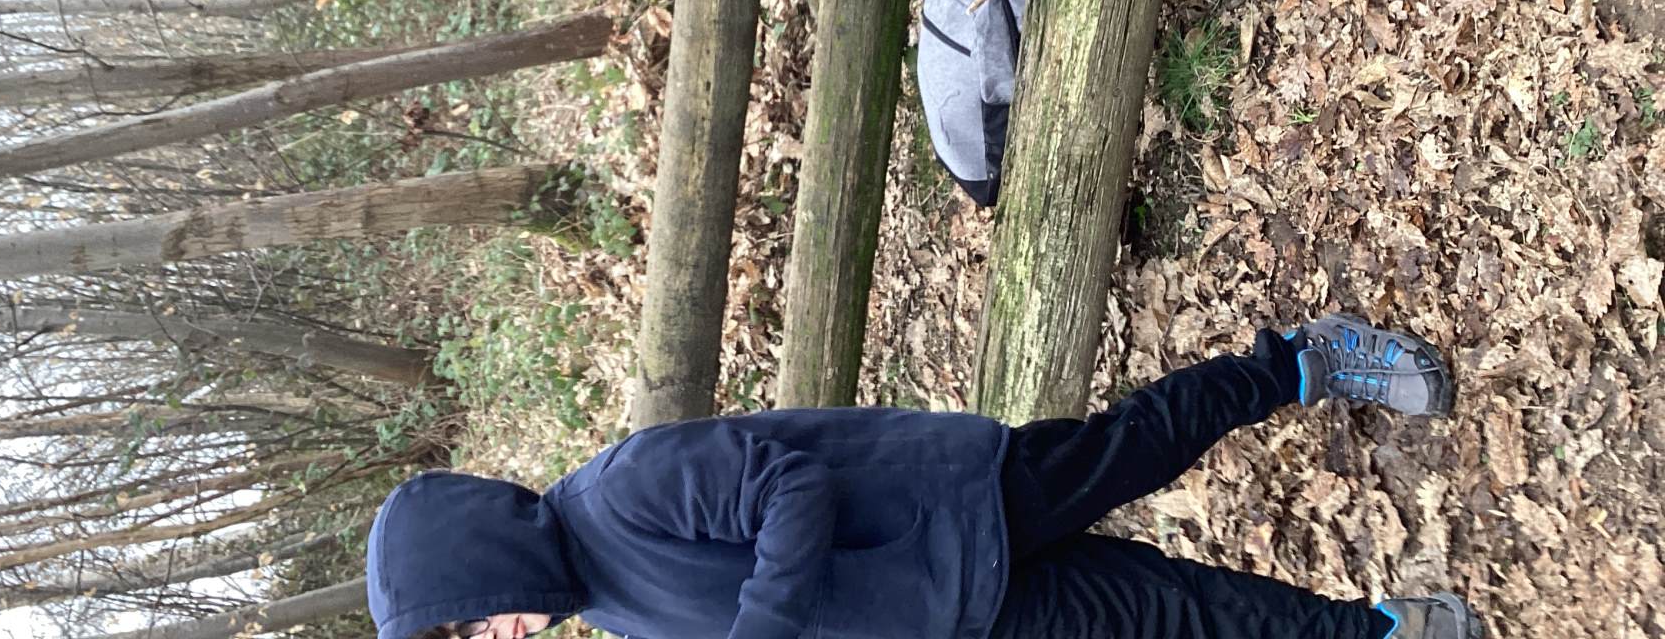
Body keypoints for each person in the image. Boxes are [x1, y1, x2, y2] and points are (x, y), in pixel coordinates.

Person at [364, 313, 1480, 639]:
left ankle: (1300, 361)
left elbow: (788, 491)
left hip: (967, 497)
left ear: (483, 555)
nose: (496, 636)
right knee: (1172, 616)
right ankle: (1381, 633)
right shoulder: (609, 610)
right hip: (960, 615)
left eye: (473, 619)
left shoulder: (621, 489)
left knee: (1145, 442)